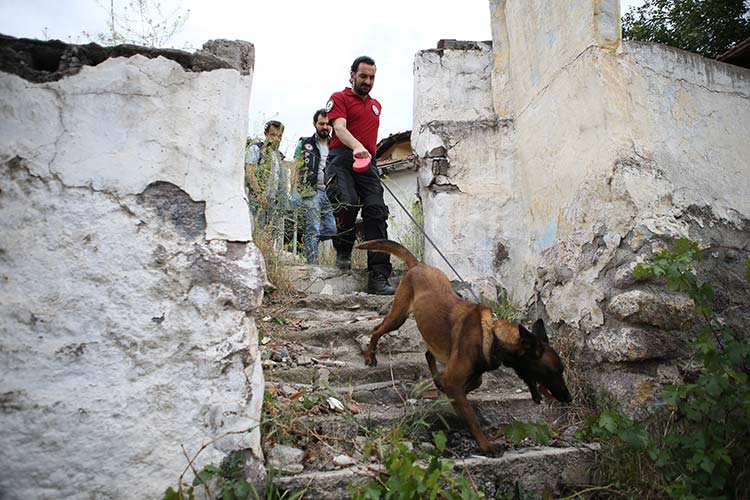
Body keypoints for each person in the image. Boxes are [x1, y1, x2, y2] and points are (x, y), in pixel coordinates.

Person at [325, 56, 395, 295]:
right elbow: (340, 128)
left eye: (371, 77)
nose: (367, 81)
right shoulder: (339, 98)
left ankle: (378, 275)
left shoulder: (376, 105)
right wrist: (356, 146)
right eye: (363, 76)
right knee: (348, 202)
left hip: (367, 162)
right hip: (342, 158)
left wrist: (366, 155)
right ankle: (342, 247)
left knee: (376, 211)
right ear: (352, 75)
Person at [293, 109, 337, 265]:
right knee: (313, 227)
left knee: (332, 229)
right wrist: (294, 191)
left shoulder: (335, 144)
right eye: (321, 123)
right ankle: (313, 265)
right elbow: (296, 167)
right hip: (311, 192)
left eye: (327, 124)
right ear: (315, 124)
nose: (325, 127)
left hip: (329, 192)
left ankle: (310, 237)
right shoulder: (305, 143)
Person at [245, 120, 288, 238]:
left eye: (279, 136)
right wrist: (259, 193)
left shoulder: (279, 156)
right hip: (257, 200)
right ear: (266, 134)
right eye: (273, 135)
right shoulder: (256, 149)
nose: (276, 139)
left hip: (273, 203)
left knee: (269, 237)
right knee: (255, 233)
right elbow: (250, 171)